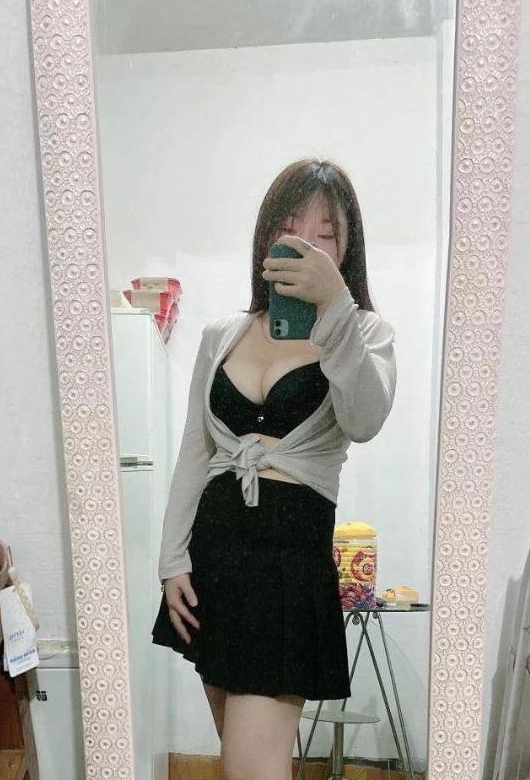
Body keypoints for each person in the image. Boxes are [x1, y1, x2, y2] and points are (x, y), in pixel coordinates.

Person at [151, 157, 397, 779]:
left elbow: (365, 420)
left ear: (347, 249)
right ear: (266, 236)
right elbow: (196, 452)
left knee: (250, 769)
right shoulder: (223, 334)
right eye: (290, 227)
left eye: (326, 234)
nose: (306, 244)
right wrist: (172, 559)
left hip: (287, 567)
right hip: (213, 562)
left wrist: (335, 309)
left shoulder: (365, 332)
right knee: (250, 761)